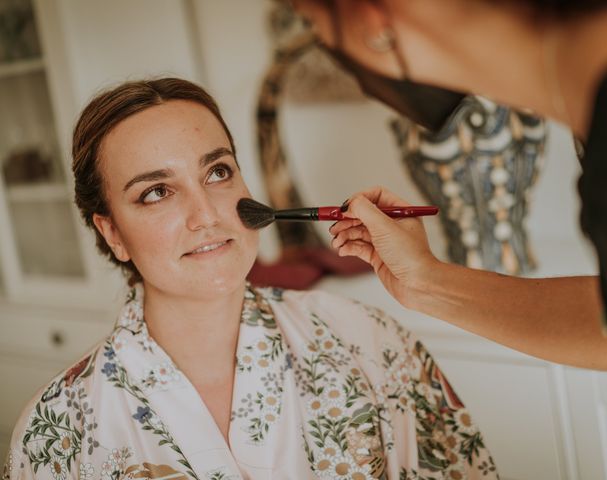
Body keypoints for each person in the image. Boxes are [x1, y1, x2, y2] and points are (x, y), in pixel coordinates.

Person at [3, 78, 498, 480]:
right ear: (112, 233)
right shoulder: (57, 430)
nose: (207, 216)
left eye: (217, 173)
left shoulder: (370, 342)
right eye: (157, 192)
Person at [291, 0, 607, 402]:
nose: (323, 46)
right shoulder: (604, 97)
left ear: (371, 17)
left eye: (312, 23)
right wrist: (425, 280)